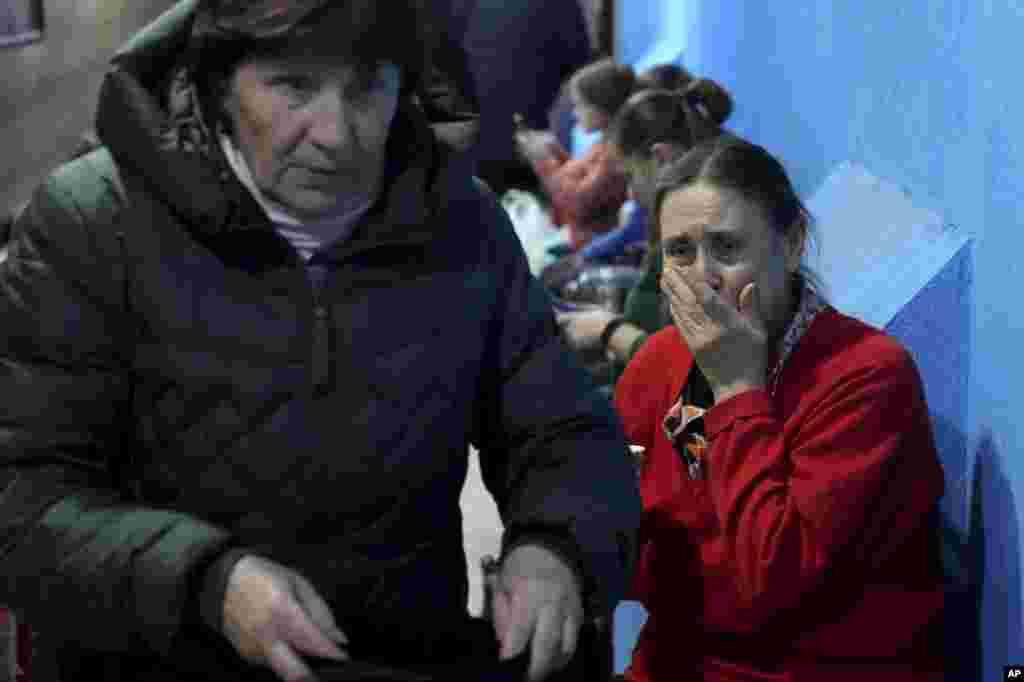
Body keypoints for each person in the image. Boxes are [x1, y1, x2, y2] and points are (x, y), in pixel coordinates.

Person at [0, 2, 643, 681]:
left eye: (368, 86)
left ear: (409, 83)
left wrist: (557, 545)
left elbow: (564, 429)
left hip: (390, 654)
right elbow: (22, 497)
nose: (335, 134)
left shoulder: (459, 221)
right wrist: (206, 581)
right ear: (219, 81)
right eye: (292, 86)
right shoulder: (93, 225)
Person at [614, 134, 946, 681]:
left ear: (791, 245)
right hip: (676, 663)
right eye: (680, 252)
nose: (704, 275)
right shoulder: (660, 362)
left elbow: (772, 582)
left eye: (727, 248)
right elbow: (625, 549)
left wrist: (737, 390)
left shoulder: (866, 376)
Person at [555, 76, 734, 386]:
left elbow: (691, 373)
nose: (630, 194)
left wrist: (609, 331)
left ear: (661, 157)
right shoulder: (678, 219)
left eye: (630, 176)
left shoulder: (705, 237)